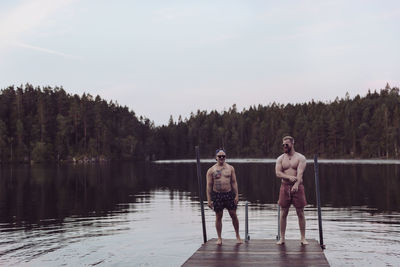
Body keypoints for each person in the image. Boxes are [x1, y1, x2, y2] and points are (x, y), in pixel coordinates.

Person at [275, 136, 308, 245]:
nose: (284, 146)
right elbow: (278, 173)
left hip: (298, 187)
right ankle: (282, 238)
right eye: (283, 145)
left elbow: (300, 173)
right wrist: (288, 177)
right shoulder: (280, 158)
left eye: (286, 144)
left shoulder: (300, 158)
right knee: (284, 212)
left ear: (292, 144)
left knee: (300, 212)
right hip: (284, 186)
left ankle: (303, 238)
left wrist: (297, 184)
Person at [206, 148, 242, 245]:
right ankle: (219, 238)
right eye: (219, 156)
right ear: (216, 158)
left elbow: (234, 182)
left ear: (225, 157)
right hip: (217, 194)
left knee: (233, 214)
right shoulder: (211, 170)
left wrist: (237, 195)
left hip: (229, 193)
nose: (221, 158)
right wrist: (209, 200)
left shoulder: (230, 168)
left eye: (223, 156)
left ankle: (237, 236)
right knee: (218, 216)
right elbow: (209, 186)